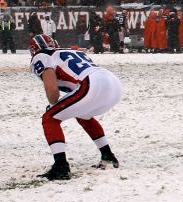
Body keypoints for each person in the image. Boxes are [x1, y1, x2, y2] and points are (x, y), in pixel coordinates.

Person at [28, 34, 121, 180]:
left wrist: (53, 105)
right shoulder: (72, 51)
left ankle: (61, 167)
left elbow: (52, 90)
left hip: (91, 84)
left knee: (50, 118)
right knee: (83, 114)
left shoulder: (42, 56)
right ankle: (108, 155)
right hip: (114, 83)